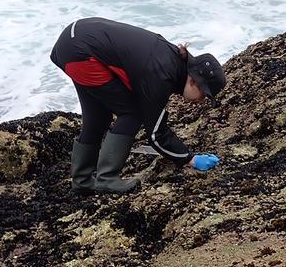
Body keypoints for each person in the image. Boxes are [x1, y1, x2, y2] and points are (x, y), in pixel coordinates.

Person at [50, 17, 226, 194]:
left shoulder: (171, 60)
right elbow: (156, 133)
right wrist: (190, 159)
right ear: (194, 81)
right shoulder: (162, 74)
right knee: (132, 113)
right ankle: (107, 179)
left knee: (98, 117)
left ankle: (82, 181)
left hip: (73, 41)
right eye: (204, 93)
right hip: (82, 53)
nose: (202, 100)